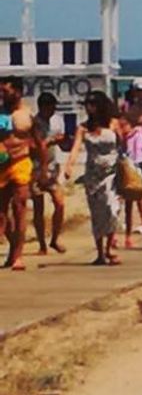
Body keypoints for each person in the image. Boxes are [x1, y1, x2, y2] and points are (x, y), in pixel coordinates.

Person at [63, 91, 121, 266]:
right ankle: (101, 252)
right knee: (97, 213)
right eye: (87, 104)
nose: (89, 108)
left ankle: (110, 247)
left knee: (112, 209)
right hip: (93, 175)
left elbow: (123, 145)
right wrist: (69, 165)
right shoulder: (83, 128)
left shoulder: (113, 124)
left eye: (93, 104)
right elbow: (76, 148)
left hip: (112, 172)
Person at [0, 76, 48, 271]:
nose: (2, 95)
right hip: (1, 166)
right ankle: (12, 247)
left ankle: (18, 255)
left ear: (18, 92)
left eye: (6, 91)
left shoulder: (27, 115)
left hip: (21, 162)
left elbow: (39, 144)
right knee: (2, 214)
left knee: (20, 208)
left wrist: (43, 169)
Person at [31, 93, 67, 255]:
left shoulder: (57, 120)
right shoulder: (35, 123)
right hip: (36, 168)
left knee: (59, 203)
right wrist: (51, 141)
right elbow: (37, 145)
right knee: (39, 207)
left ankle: (55, 238)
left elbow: (63, 142)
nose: (52, 110)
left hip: (54, 167)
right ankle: (41, 244)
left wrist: (62, 140)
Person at [117, 88, 142, 248]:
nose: (121, 130)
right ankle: (120, 234)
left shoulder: (137, 135)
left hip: (134, 169)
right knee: (121, 203)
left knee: (137, 199)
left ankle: (138, 226)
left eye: (124, 126)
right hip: (122, 170)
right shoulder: (120, 138)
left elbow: (140, 155)